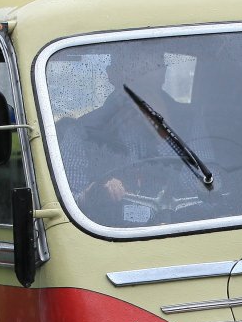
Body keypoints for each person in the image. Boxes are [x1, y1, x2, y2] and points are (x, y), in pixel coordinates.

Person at [59, 40, 191, 219]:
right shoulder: (83, 132)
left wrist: (164, 133)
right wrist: (95, 193)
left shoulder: (189, 123)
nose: (146, 77)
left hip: (181, 226)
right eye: (136, 69)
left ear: (163, 74)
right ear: (113, 75)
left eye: (155, 67)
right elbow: (67, 204)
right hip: (106, 231)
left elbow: (208, 187)